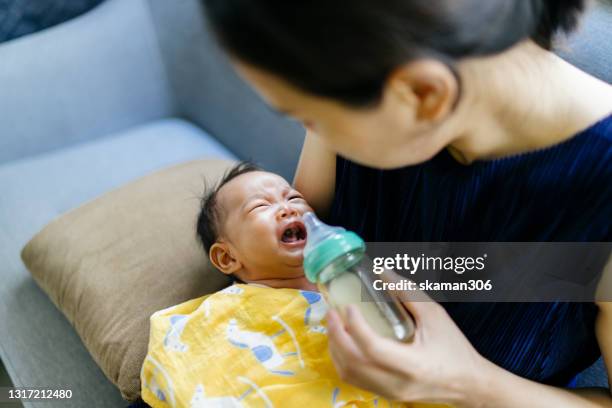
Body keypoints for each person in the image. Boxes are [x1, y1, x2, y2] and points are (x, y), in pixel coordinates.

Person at [201, 0, 612, 406]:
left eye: (310, 115)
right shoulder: (366, 59)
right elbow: (287, 260)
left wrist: (471, 385)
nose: (311, 130)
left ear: (425, 95)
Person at [140, 162, 445, 407]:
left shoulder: (358, 282)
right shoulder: (225, 312)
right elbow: (197, 364)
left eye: (294, 198)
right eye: (260, 206)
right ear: (227, 257)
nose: (289, 208)